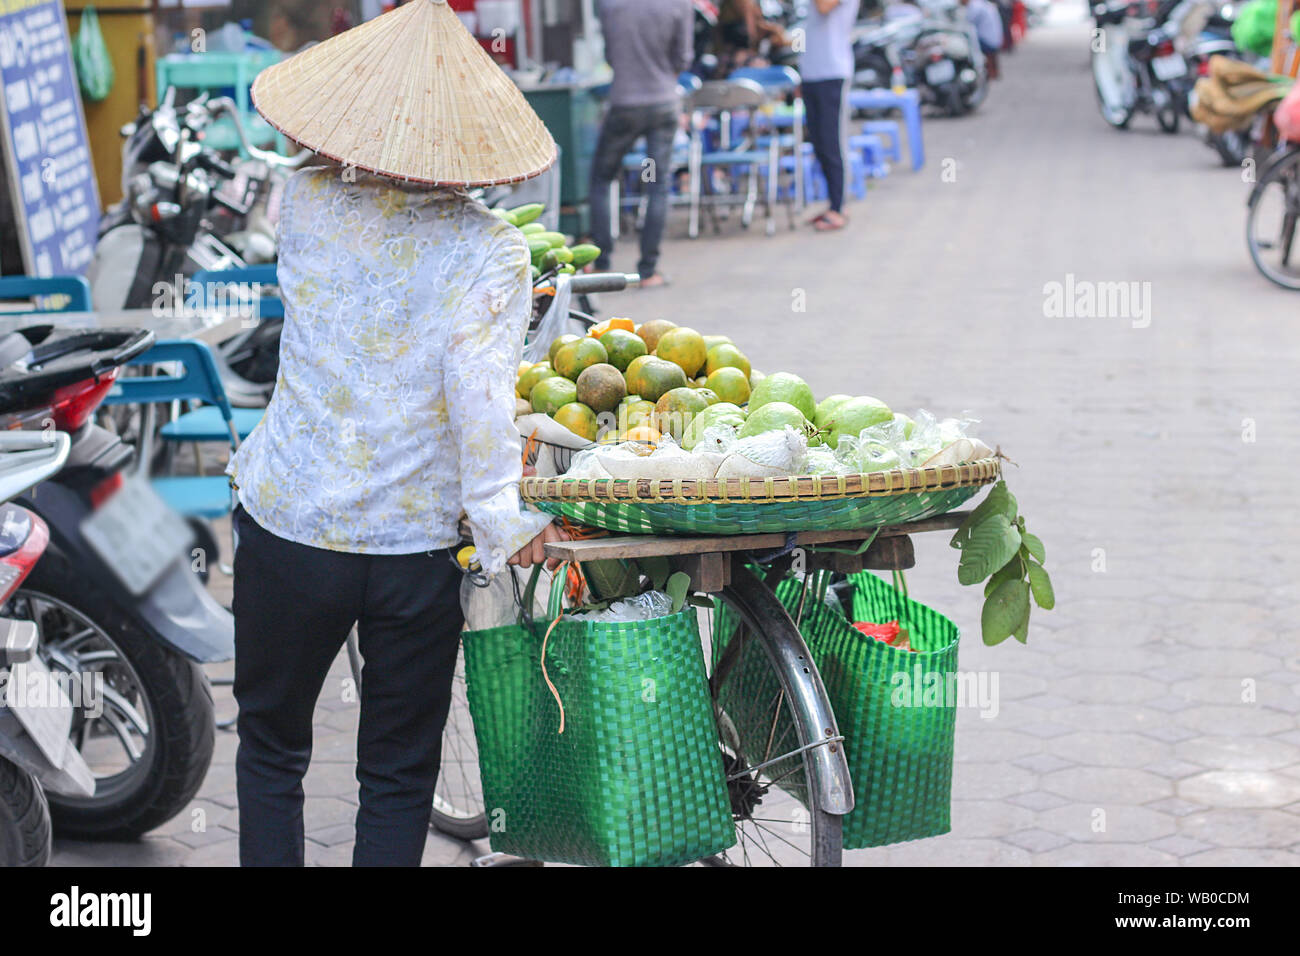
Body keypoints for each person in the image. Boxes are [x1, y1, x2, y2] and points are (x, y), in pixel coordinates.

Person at [229, 0, 568, 867]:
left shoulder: (300, 202)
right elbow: (478, 395)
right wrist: (503, 524)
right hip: (414, 551)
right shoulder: (491, 251)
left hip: (290, 524)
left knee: (272, 749)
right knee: (396, 771)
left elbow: (321, 170)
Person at [588, 0, 694, 288]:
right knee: (657, 184)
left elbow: (611, 55)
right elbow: (683, 58)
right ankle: (648, 271)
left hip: (624, 102)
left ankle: (601, 262)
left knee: (601, 178)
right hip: (663, 102)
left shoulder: (611, 5)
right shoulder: (679, 4)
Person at [801, 0, 861, 232]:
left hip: (832, 72)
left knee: (832, 142)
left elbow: (823, 6)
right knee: (819, 144)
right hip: (811, 72)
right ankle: (833, 204)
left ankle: (838, 207)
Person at [962, 0, 1005, 80]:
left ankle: (977, 71)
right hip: (996, 38)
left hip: (987, 40)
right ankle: (993, 72)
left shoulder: (975, 6)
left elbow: (967, 21)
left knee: (966, 45)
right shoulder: (984, 4)